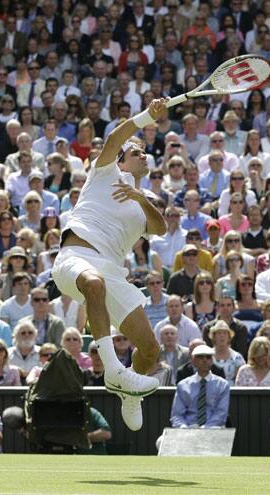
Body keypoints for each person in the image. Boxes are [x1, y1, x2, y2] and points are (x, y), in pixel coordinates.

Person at [52, 98, 170, 431]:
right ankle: (113, 369)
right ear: (121, 160)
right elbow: (117, 137)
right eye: (137, 152)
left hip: (112, 271)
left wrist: (142, 199)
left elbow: (159, 229)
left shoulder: (141, 204)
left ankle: (129, 392)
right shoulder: (104, 171)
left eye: (145, 153)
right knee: (93, 284)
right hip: (75, 258)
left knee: (149, 349)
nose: (144, 155)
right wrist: (148, 116)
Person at [170, 344, 230, 428]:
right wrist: (183, 427)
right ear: (193, 360)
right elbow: (177, 414)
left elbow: (221, 413)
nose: (204, 360)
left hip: (214, 429)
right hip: (189, 429)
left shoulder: (222, 385)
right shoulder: (183, 385)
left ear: (212, 360)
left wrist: (205, 428)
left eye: (208, 357)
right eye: (200, 357)